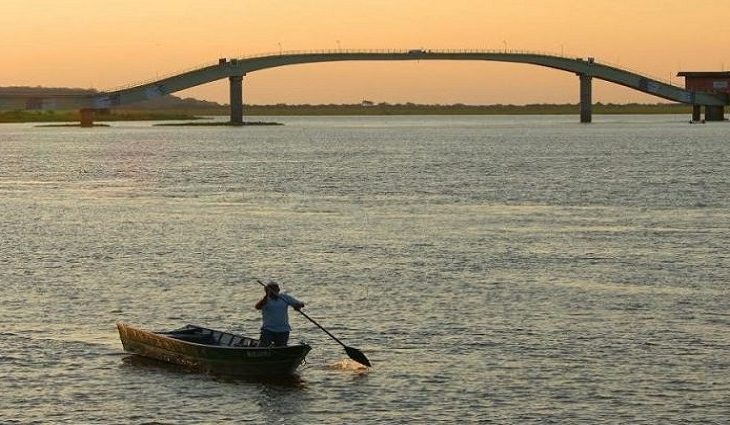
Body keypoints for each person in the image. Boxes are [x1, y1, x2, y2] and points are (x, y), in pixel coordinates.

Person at [255, 281, 305, 347]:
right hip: (268, 329)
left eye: (276, 290)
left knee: (281, 347)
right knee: (263, 346)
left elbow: (301, 304)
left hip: (283, 330)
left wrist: (298, 306)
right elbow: (258, 307)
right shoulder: (266, 300)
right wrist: (267, 295)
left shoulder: (284, 298)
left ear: (278, 290)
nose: (275, 292)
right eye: (272, 290)